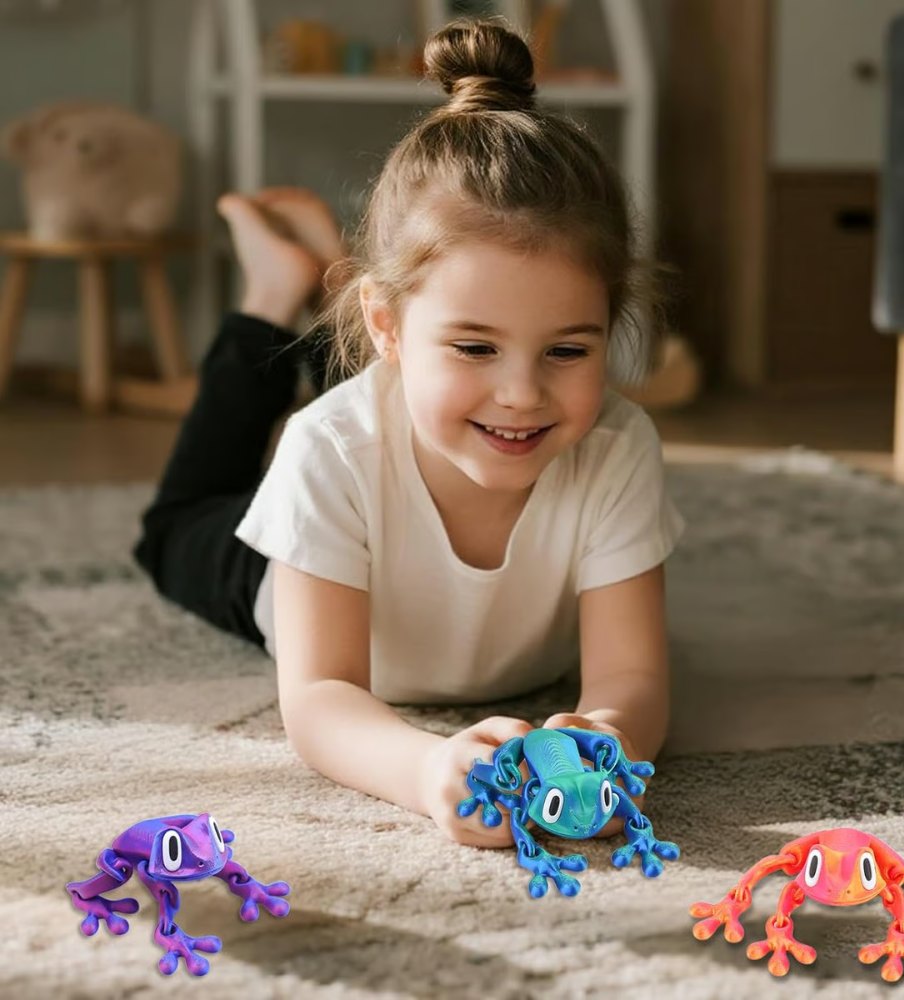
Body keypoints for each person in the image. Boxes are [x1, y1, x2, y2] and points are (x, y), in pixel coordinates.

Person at [134, 19, 683, 848]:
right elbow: (319, 698)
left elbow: (633, 677)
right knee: (175, 523)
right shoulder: (328, 452)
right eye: (477, 345)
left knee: (439, 407)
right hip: (278, 568)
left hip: (398, 402)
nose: (524, 393)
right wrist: (428, 770)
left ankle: (344, 300)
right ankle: (271, 297)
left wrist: (605, 739)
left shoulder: (615, 447)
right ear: (386, 325)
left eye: (568, 349)